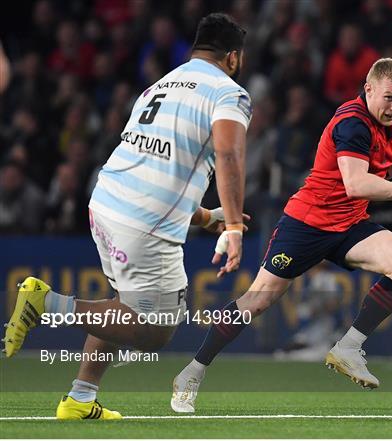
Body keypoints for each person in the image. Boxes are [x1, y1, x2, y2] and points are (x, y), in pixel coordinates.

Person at [3, 13, 252, 420]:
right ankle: (46, 304)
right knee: (157, 330)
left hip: (106, 202)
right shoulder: (229, 93)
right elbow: (228, 154)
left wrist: (208, 217)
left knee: (123, 305)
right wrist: (237, 228)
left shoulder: (162, 84)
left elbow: (158, 172)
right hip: (144, 223)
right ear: (233, 57)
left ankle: (79, 399)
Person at [171, 58, 392, 413]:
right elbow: (355, 182)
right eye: (389, 98)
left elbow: (376, 164)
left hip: (349, 224)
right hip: (307, 224)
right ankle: (192, 372)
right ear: (368, 89)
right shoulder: (352, 123)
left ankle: (348, 347)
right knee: (256, 302)